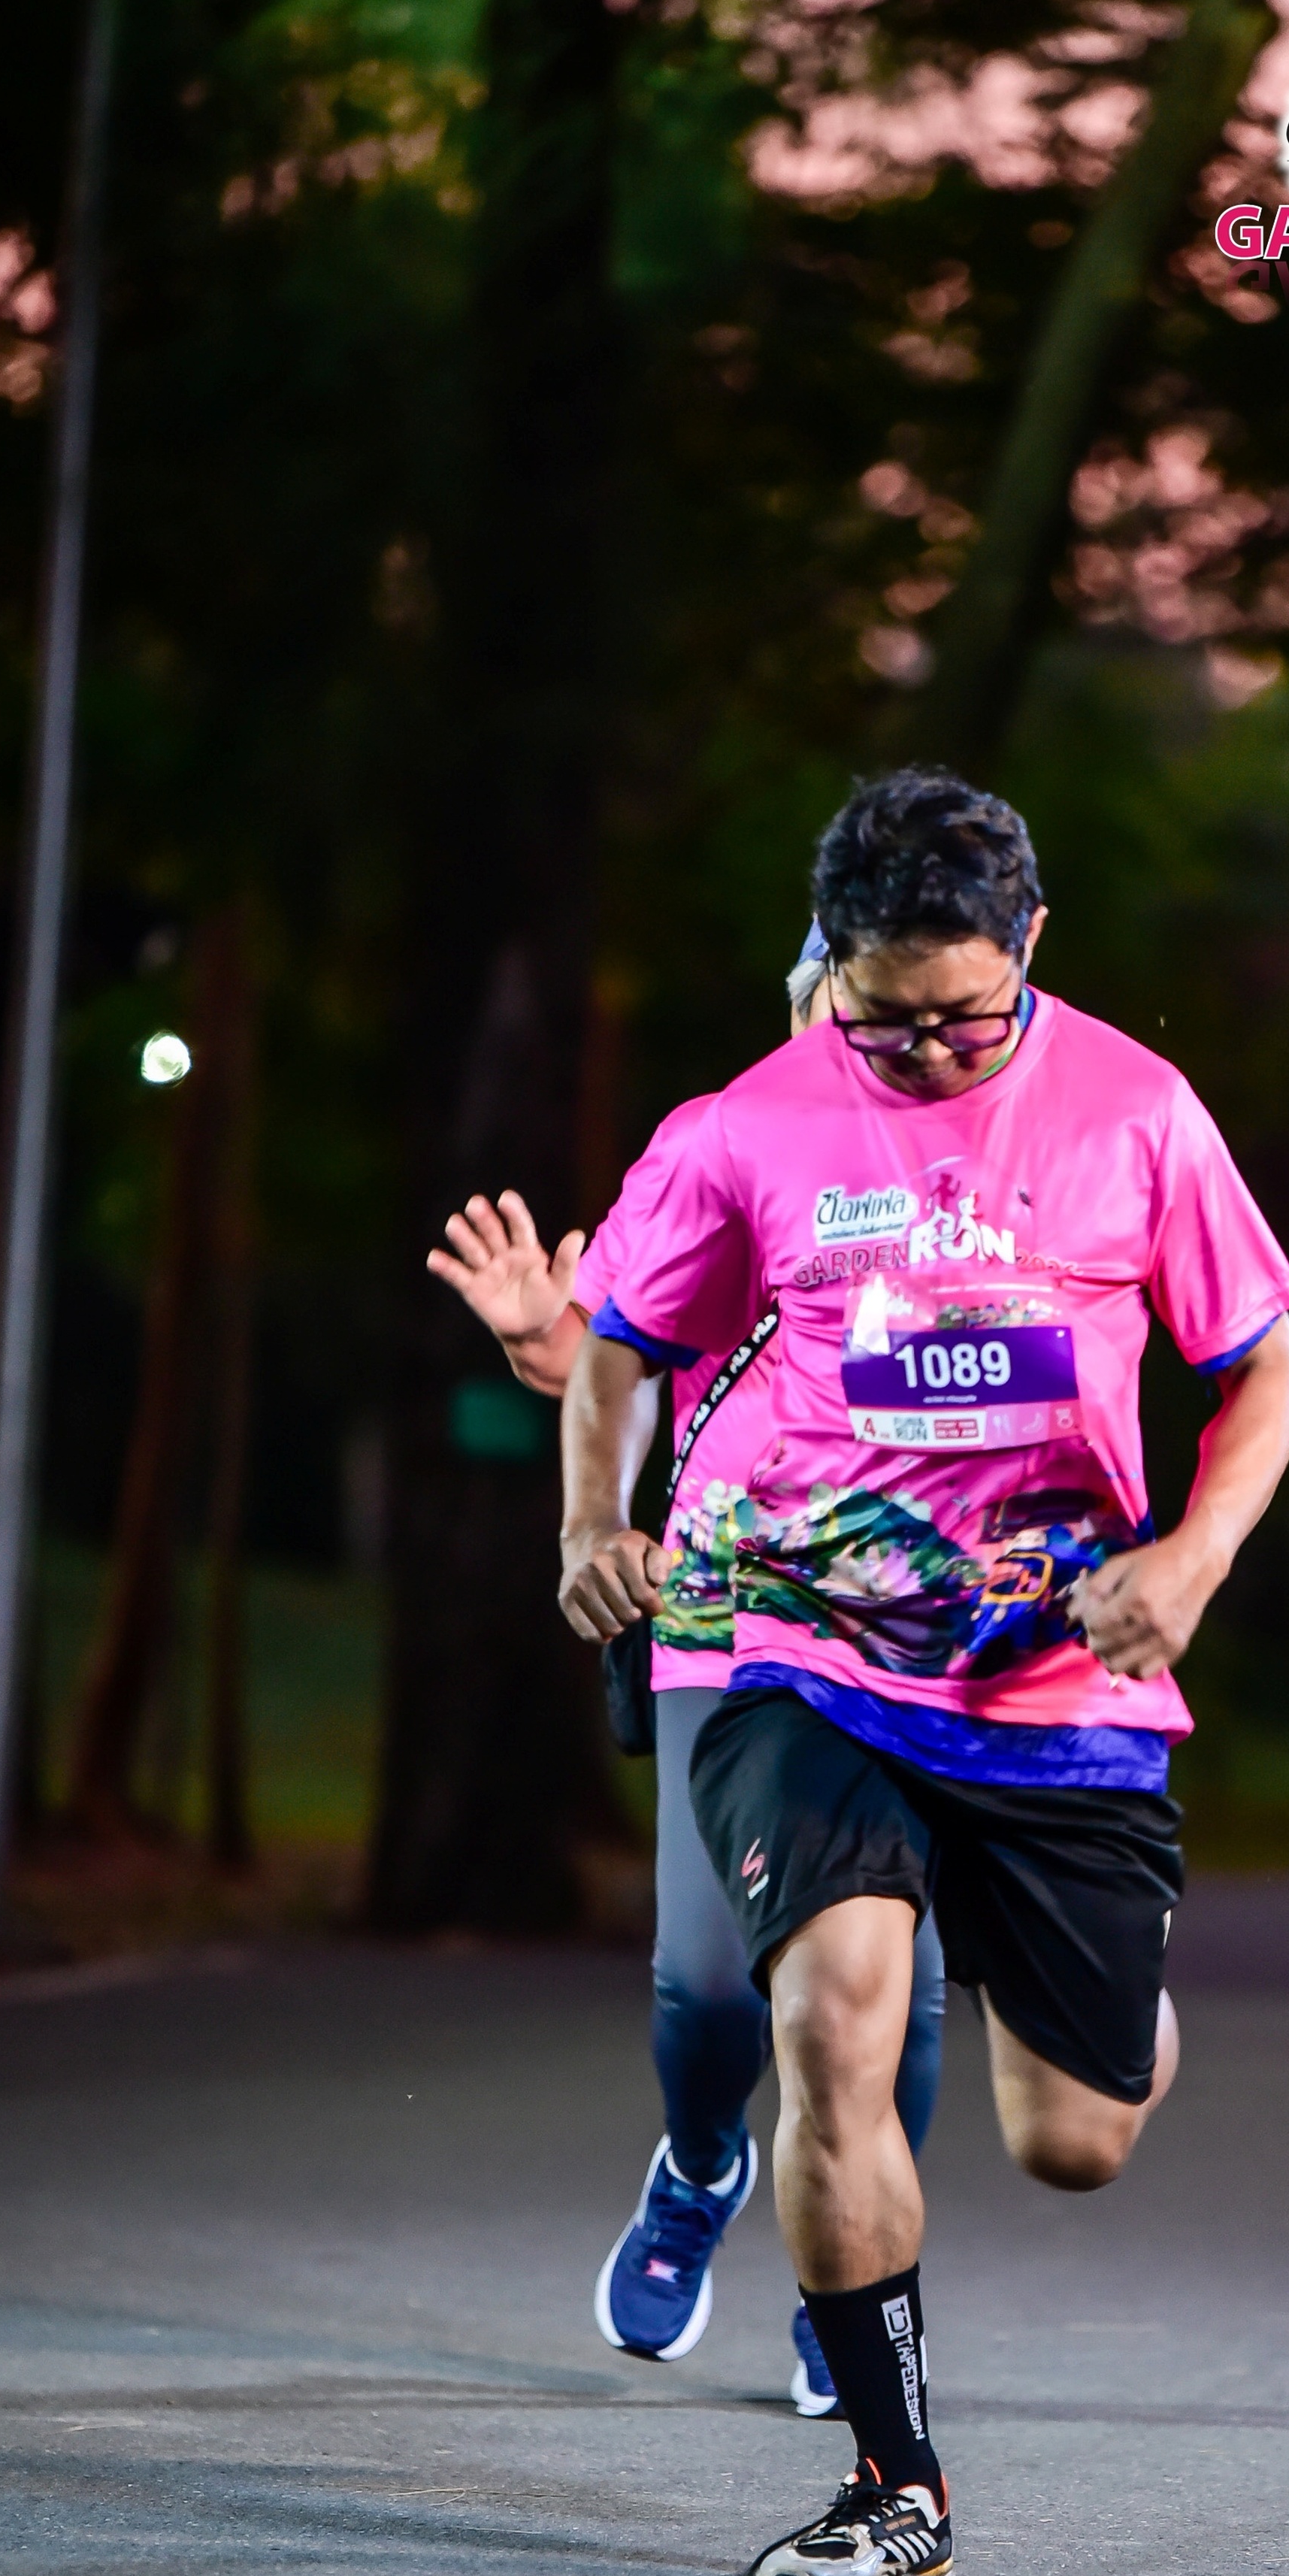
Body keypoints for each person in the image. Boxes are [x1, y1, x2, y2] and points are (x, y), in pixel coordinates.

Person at [561, 766, 1289, 2576]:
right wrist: (592, 1518)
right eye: (884, 1018)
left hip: (1054, 1676)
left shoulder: (1137, 1110)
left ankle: (1085, 1996)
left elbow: (1268, 1372)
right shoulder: (748, 1121)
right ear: (832, 963)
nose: (922, 1056)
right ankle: (895, 2486)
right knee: (831, 2019)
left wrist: (1188, 1560)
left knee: (1075, 2139)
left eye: (964, 1018)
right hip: (799, 1645)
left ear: (1029, 943)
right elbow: (617, 1343)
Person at [425, 934, 946, 2414]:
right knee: (712, 1986)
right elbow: (618, 1354)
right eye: (852, 998)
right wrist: (542, 1337)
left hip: (913, 1627)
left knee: (897, 2002)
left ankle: (850, 2286)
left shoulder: (983, 1171)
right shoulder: (731, 1146)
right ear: (808, 1000)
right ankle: (705, 2162)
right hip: (725, 1613)